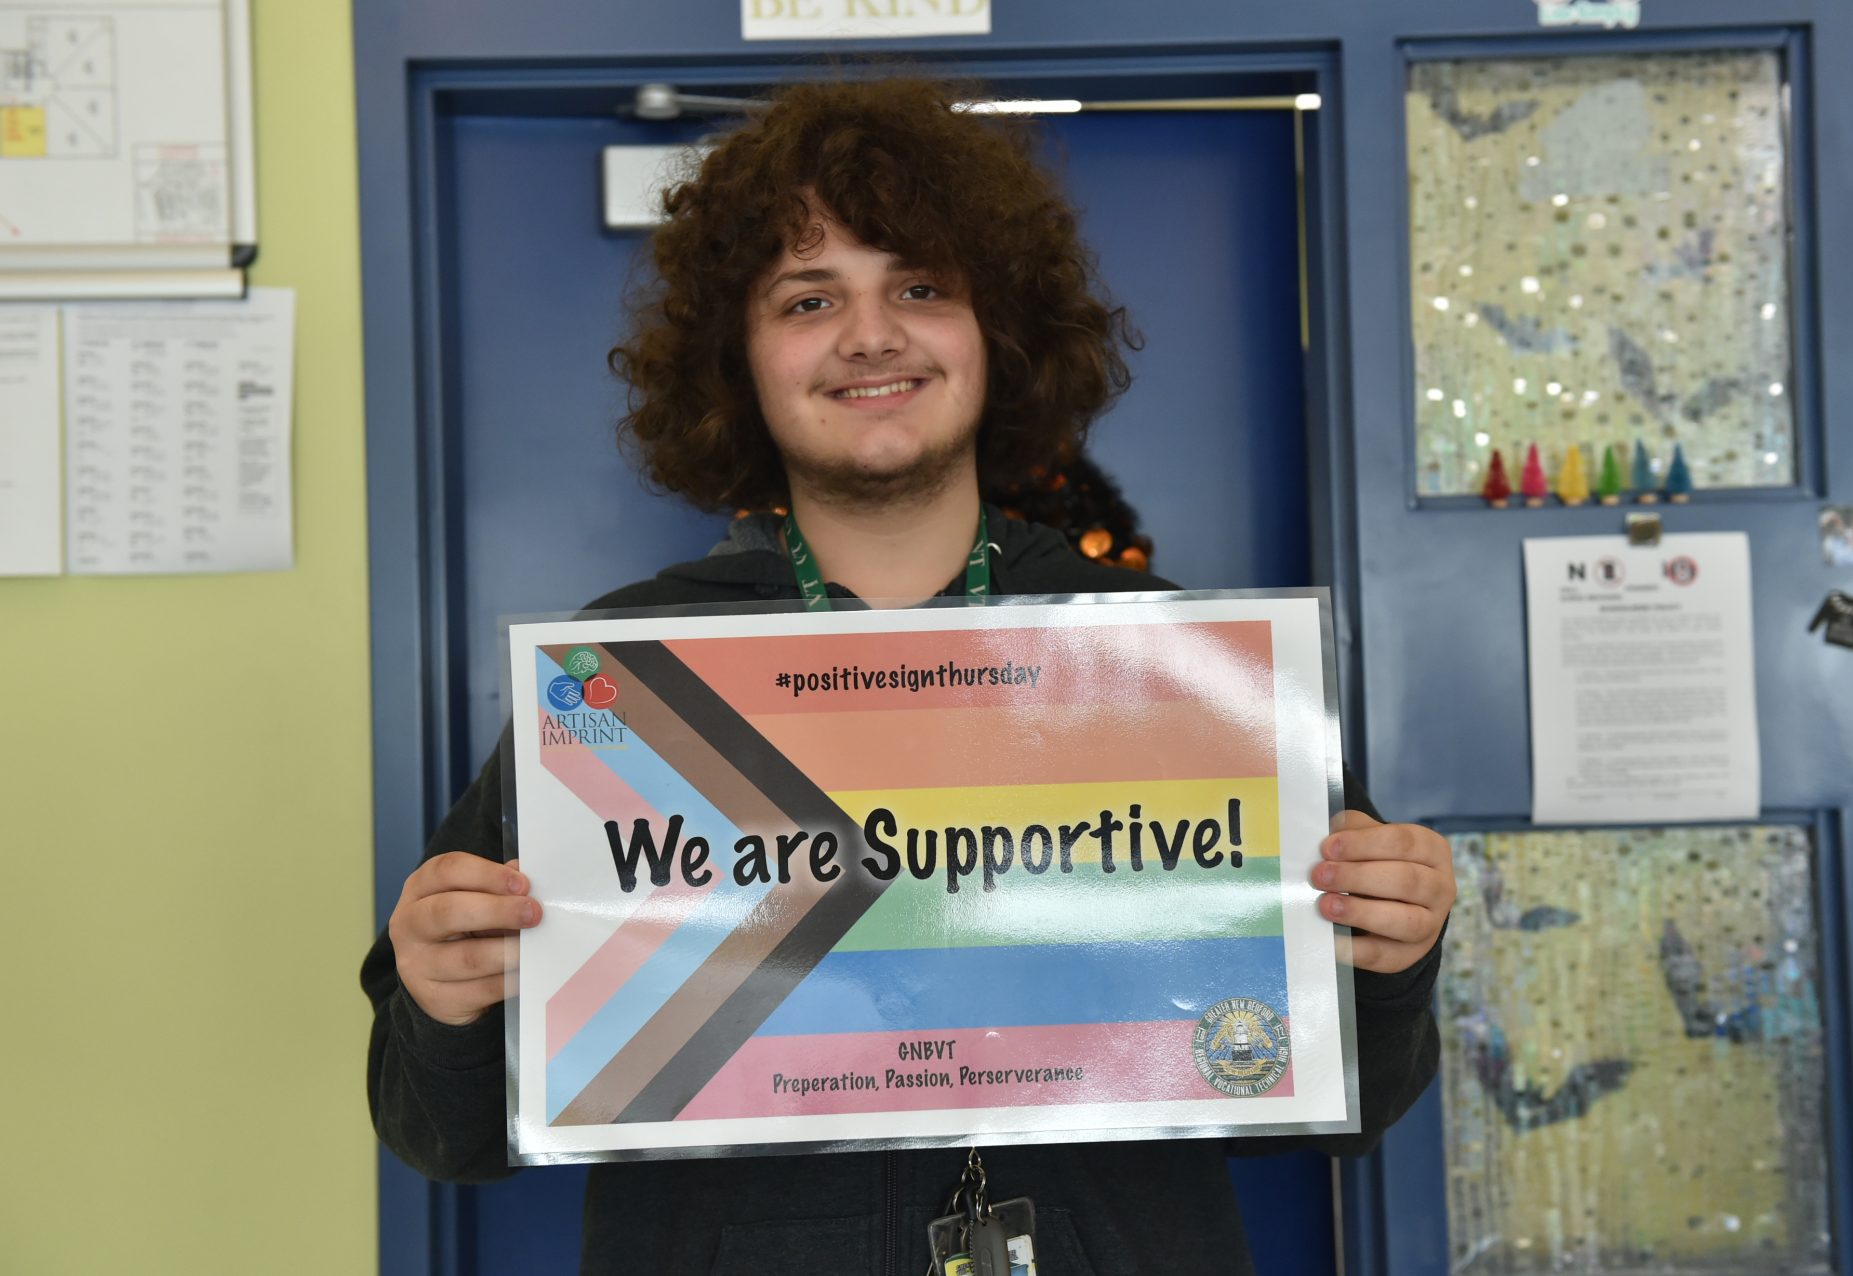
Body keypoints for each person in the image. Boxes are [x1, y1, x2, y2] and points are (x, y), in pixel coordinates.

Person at [362, 75, 1456, 1275]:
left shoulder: (1174, 667)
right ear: (739, 358)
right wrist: (445, 999)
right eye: (809, 297)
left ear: (999, 333)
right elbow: (438, 1130)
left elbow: (1339, 1098)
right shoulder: (621, 687)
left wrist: (1389, 958)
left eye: (921, 287)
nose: (871, 334)